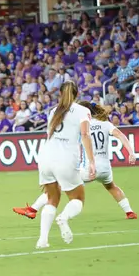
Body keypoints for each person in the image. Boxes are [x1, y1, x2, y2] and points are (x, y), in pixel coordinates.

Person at [13, 101, 138, 221]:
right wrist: (131, 152)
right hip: (105, 169)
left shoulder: (81, 125)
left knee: (56, 187)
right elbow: (121, 135)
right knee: (111, 187)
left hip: (89, 169)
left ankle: (32, 209)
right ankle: (130, 212)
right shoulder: (105, 124)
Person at [34, 81, 95, 249]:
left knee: (52, 198)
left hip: (45, 157)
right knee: (78, 198)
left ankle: (42, 240)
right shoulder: (83, 111)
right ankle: (64, 218)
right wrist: (91, 161)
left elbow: (48, 136)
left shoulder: (54, 111)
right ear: (76, 94)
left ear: (60, 94)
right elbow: (85, 134)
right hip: (65, 158)